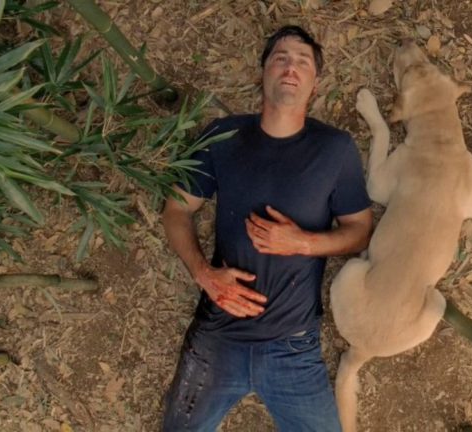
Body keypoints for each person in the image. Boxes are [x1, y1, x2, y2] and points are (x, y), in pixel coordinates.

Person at [160, 25, 373, 431]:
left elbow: (360, 230)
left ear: (314, 83)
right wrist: (204, 274)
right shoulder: (222, 136)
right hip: (217, 337)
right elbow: (175, 211)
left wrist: (304, 243)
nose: (291, 68)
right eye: (281, 58)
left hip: (293, 346)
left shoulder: (335, 149)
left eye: (302, 62)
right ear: (263, 74)